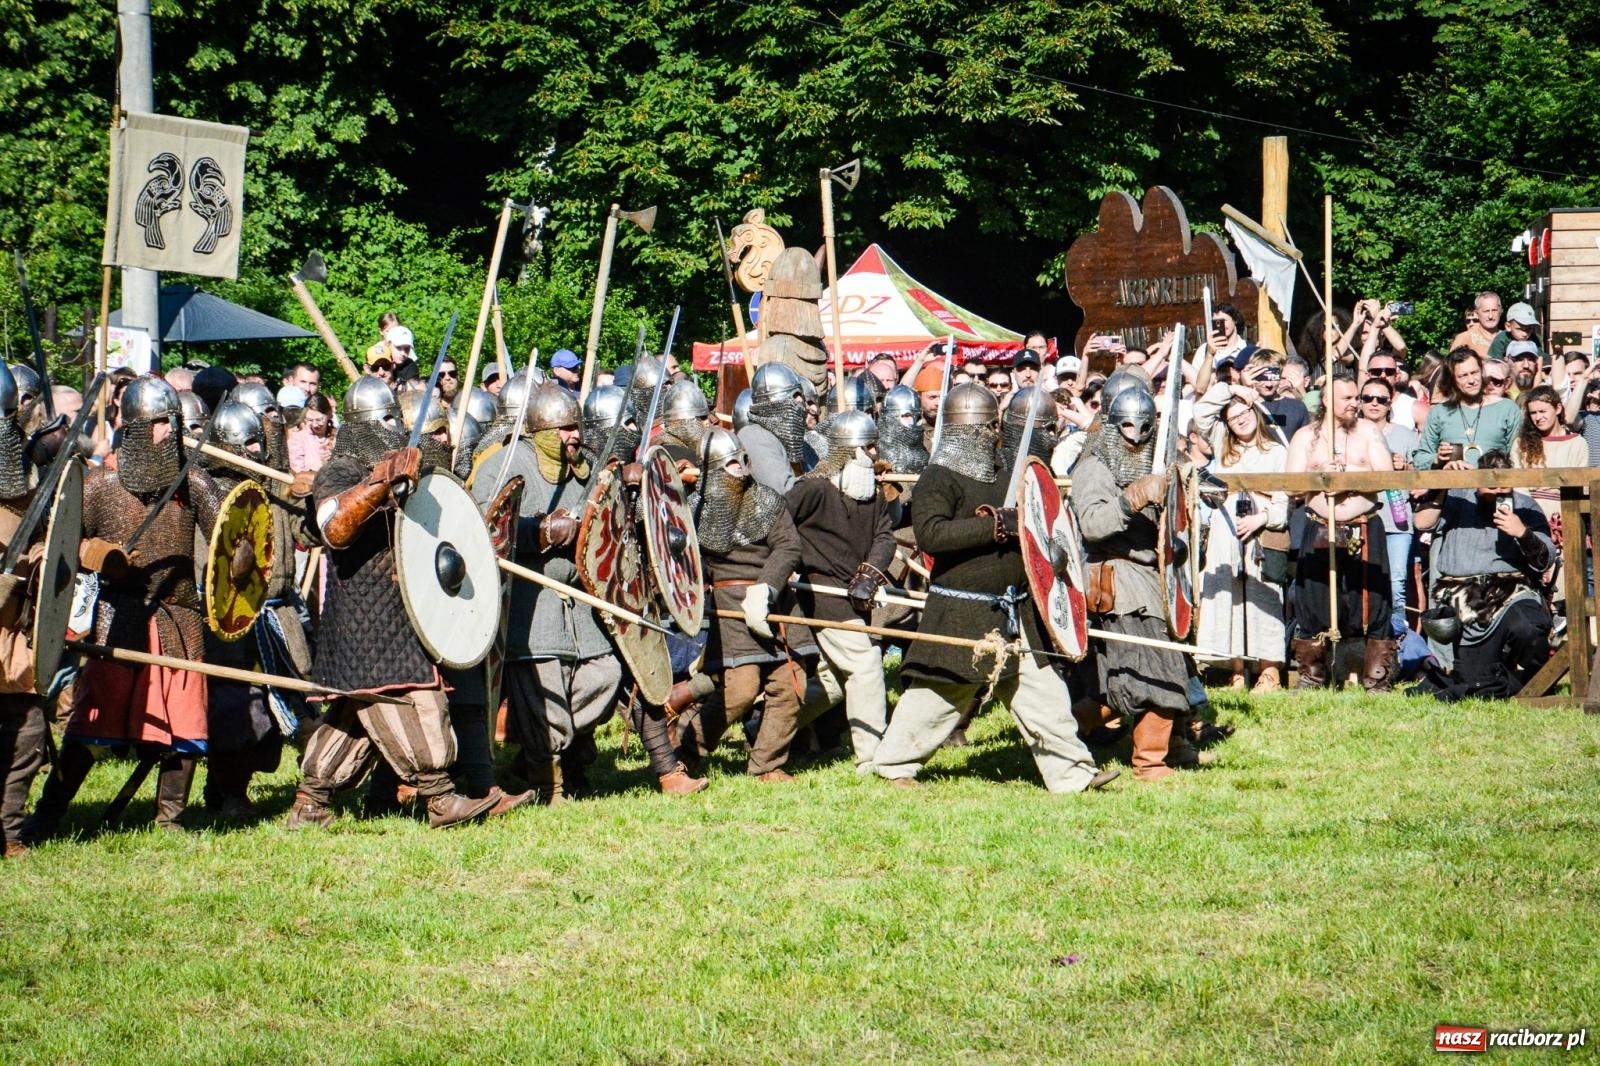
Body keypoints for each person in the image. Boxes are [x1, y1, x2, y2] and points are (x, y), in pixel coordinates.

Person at [868, 383, 1114, 792]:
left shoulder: (1008, 477)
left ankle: (1073, 774)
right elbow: (931, 535)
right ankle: (894, 765)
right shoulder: (938, 477)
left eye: (993, 427)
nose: (991, 434)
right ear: (965, 431)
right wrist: (993, 525)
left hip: (1016, 611)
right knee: (937, 694)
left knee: (1043, 692)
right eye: (984, 428)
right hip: (964, 613)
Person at [284, 378, 500, 829]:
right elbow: (335, 528)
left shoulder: (400, 466)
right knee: (414, 696)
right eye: (384, 419)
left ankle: (310, 803)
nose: (394, 427)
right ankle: (440, 798)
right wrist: (380, 482)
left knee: (353, 718)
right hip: (364, 615)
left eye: (394, 418)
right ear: (361, 425)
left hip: (397, 610)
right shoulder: (340, 470)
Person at [25, 376, 224, 841]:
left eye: (172, 421)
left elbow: (233, 534)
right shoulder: (99, 486)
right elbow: (52, 546)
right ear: (134, 427)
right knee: (92, 721)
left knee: (184, 723)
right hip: (118, 614)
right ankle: (47, 815)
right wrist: (93, 552)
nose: (169, 431)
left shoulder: (192, 482)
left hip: (179, 616)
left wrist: (239, 554)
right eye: (158, 423)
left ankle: (169, 820)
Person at [472, 383, 621, 802]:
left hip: (580, 608)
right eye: (566, 428)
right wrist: (537, 531)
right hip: (528, 604)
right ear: (541, 430)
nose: (575, 435)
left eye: (577, 427)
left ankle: (548, 755)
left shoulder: (585, 469)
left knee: (606, 676)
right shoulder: (503, 466)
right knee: (546, 702)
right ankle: (548, 779)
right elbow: (484, 528)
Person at [1069, 380, 1196, 780]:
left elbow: (1170, 528)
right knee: (1152, 671)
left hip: (1155, 581)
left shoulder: (1157, 465)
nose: (1136, 437)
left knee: (1136, 674)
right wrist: (1132, 498)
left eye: (1144, 428)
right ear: (1111, 425)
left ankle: (1074, 724)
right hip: (1118, 581)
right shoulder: (1093, 467)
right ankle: (1149, 763)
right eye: (1126, 427)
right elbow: (1091, 524)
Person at [197, 402, 317, 820]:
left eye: (259, 441)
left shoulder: (276, 488)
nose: (257, 449)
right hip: (231, 619)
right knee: (238, 709)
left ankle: (314, 795)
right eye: (247, 442)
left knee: (304, 707)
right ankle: (227, 792)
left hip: (279, 616)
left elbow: (312, 535)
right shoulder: (208, 491)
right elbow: (209, 564)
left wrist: (312, 500)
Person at [675, 428, 813, 782]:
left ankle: (767, 764)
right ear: (713, 470)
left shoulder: (767, 500)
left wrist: (767, 586)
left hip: (775, 599)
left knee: (790, 684)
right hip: (729, 606)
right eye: (731, 463)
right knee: (740, 689)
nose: (742, 469)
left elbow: (788, 548)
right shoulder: (695, 508)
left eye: (743, 460)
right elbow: (679, 556)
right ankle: (686, 751)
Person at [786, 412, 895, 772]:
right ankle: (872, 757)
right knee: (865, 667)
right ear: (848, 450)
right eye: (868, 445)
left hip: (855, 591)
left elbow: (883, 535)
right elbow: (780, 531)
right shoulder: (811, 488)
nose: (874, 451)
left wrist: (870, 573)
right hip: (821, 591)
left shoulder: (871, 489)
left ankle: (768, 726)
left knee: (833, 680)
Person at [1284, 368, 1396, 691]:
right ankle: (1313, 675)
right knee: (1314, 599)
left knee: (1372, 600)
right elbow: (1292, 488)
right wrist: (1320, 476)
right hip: (1320, 526)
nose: (1355, 404)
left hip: (1364, 526)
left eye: (1356, 397)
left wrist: (1348, 478)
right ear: (1325, 400)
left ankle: (1377, 678)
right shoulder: (1306, 436)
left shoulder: (1369, 433)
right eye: (1347, 398)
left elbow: (1387, 479)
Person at [1412, 450, 1554, 699]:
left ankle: (1538, 682)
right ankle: (1503, 680)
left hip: (1512, 590)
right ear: (1477, 482)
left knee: (1530, 627)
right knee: (1475, 681)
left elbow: (1545, 560)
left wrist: (1523, 533)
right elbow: (1422, 522)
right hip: (1465, 596)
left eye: (1504, 485)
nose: (1499, 492)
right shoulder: (1458, 498)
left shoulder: (1524, 504)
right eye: (1491, 486)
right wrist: (1442, 484)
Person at [1193, 384, 1289, 691]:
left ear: (1255, 413)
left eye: (1245, 412)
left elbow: (1284, 501)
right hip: (1226, 526)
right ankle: (1236, 669)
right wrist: (1234, 389)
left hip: (1261, 530)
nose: (1241, 419)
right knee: (1228, 595)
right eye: (1233, 417)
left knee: (1264, 594)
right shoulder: (1223, 443)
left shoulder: (1277, 451)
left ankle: (1270, 671)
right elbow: (1201, 412)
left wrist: (1263, 518)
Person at [1, 364, 49, 856]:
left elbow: (46, 542)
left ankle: (10, 831)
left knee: (29, 730)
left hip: (12, 635)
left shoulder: (24, 482)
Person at [1511, 385, 1586, 609]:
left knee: (1565, 594)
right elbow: (1518, 485)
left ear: (1558, 408)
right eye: (1533, 413)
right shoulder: (1521, 444)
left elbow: (1578, 485)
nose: (1538, 417)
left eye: (1543, 411)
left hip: (1564, 520)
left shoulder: (1577, 443)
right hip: (1529, 519)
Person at [1357, 374, 1417, 634]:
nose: (1374, 404)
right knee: (1361, 582)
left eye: (1381, 399)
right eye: (1367, 398)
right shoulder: (1349, 432)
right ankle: (1367, 641)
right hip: (1359, 516)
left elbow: (1420, 477)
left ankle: (1397, 644)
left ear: (1390, 403)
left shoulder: (1404, 434)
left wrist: (1404, 468)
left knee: (1396, 584)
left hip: (1396, 516)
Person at [1412, 349, 1522, 470]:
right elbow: (1419, 459)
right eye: (1463, 376)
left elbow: (1518, 457)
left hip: (1494, 485)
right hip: (1453, 485)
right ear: (1452, 380)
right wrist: (1437, 459)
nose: (1471, 381)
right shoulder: (1439, 412)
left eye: (1474, 372)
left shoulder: (1507, 409)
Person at [739, 362, 809, 491]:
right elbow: (783, 490)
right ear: (772, 402)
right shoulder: (754, 437)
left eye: (800, 394)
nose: (800, 400)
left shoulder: (800, 438)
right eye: (794, 395)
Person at [288, 392, 336, 473]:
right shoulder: (298, 439)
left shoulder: (339, 437)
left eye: (319, 419)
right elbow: (298, 472)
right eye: (309, 420)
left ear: (328, 414)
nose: (314, 425)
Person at [1449, 291, 1503, 358]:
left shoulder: (1509, 337)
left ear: (1500, 311)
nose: (1490, 316)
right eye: (1486, 311)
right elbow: (1451, 366)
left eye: (1494, 310)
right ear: (1477, 313)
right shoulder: (1464, 338)